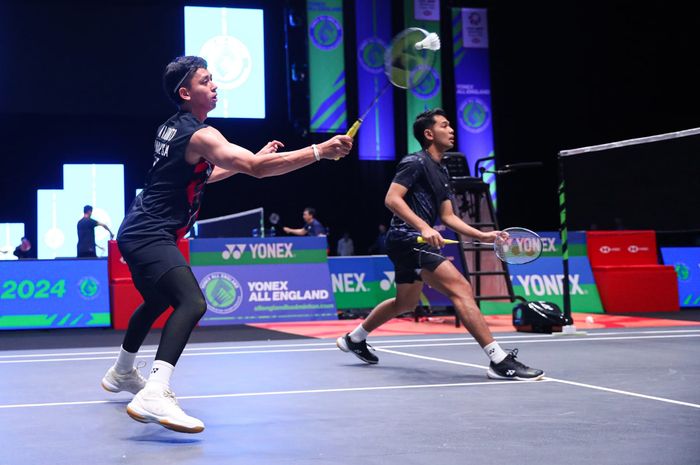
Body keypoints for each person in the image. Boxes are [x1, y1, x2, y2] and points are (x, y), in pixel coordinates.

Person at [100, 56, 352, 434]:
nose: (214, 85)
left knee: (158, 300)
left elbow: (206, 174)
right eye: (205, 81)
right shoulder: (203, 134)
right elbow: (258, 170)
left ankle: (121, 371)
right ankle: (155, 391)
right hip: (150, 231)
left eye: (213, 78)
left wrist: (250, 160)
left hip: (138, 229)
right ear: (186, 92)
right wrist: (319, 151)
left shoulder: (174, 128)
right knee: (192, 301)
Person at [336, 108, 543, 381]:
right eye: (445, 125)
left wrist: (481, 235)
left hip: (409, 240)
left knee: (405, 302)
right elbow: (392, 199)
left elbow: (448, 216)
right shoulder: (414, 162)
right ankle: (499, 360)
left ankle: (355, 338)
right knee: (461, 288)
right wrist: (422, 226)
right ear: (429, 133)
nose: (452, 129)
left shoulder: (441, 170)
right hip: (409, 238)